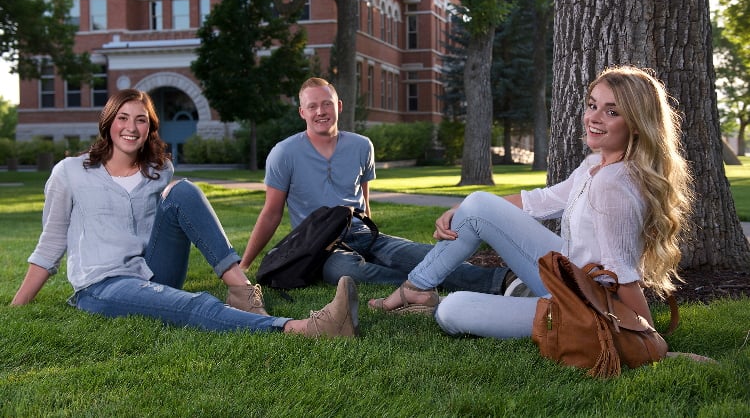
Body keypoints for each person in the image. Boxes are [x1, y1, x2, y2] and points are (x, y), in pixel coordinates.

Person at [369, 66, 693, 339]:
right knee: (478, 202)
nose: (594, 118)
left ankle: (501, 296)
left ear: (635, 123)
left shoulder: (613, 183)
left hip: (584, 306)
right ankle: (417, 288)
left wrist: (647, 338)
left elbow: (622, 273)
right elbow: (540, 201)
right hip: (565, 274)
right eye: (593, 105)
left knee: (453, 310)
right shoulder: (596, 165)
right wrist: (463, 212)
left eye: (612, 112)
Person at [11, 89, 358, 338]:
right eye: (123, 118)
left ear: (150, 128)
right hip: (103, 286)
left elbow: (169, 223)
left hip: (153, 272)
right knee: (193, 305)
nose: (131, 127)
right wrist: (17, 308)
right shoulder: (70, 172)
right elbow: (51, 244)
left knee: (183, 190)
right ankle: (303, 328)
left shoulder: (158, 171)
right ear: (108, 122)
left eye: (141, 120)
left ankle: (242, 291)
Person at [240, 77, 514, 305]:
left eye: (327, 104)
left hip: (361, 232)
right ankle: (415, 285)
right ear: (302, 112)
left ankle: (502, 281)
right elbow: (271, 213)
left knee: (419, 253)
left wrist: (373, 238)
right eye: (312, 106)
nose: (320, 111)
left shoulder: (362, 146)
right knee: (346, 272)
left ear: (339, 106)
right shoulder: (284, 153)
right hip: (319, 244)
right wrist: (244, 266)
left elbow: (364, 198)